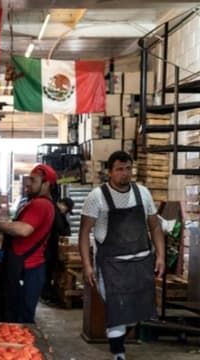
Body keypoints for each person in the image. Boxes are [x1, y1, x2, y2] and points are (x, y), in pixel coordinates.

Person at [78, 150, 165, 360]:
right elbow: (84, 233)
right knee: (117, 310)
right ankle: (118, 353)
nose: (125, 174)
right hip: (111, 266)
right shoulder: (96, 197)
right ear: (110, 171)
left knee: (135, 313)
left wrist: (160, 255)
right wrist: (87, 266)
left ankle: (117, 341)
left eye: (128, 169)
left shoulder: (143, 193)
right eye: (119, 169)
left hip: (141, 263)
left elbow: (154, 227)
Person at [0, 164, 57, 323]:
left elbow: (24, 230)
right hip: (27, 267)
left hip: (27, 268)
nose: (27, 183)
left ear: (46, 184)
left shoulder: (41, 204)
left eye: (33, 180)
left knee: (19, 320)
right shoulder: (38, 203)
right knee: (16, 316)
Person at [42, 196, 73, 303]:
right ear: (62, 204)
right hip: (47, 248)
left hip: (50, 248)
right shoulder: (55, 212)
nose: (66, 212)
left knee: (49, 272)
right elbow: (63, 230)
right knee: (46, 272)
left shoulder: (58, 213)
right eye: (67, 210)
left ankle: (47, 292)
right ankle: (45, 294)